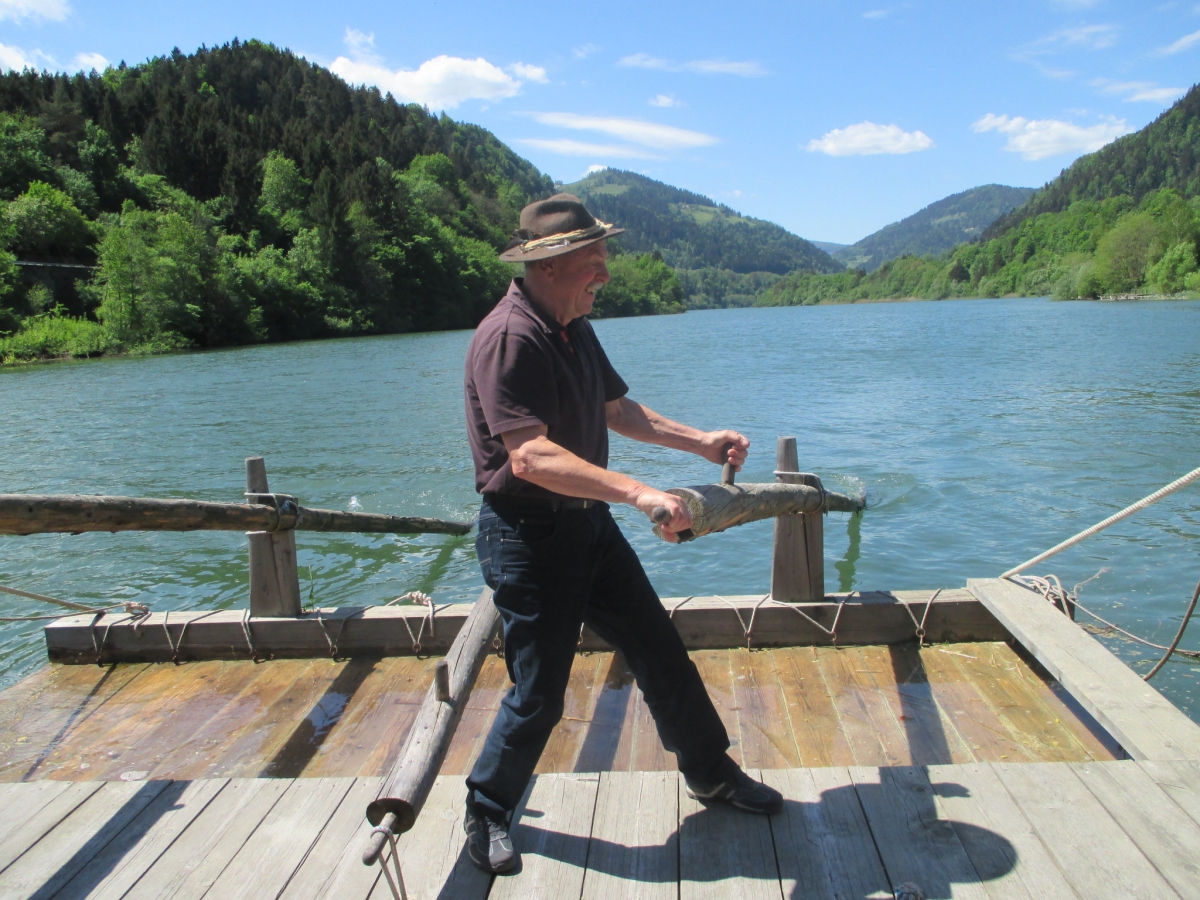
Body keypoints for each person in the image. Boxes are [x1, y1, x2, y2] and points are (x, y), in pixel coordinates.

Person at [462, 193, 783, 874]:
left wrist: (700, 441)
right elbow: (530, 457)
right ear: (549, 265)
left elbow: (616, 409)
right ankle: (486, 808)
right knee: (539, 693)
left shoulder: (572, 324)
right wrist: (641, 493)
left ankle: (711, 773)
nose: (605, 274)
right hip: (527, 536)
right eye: (594, 261)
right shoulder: (510, 336)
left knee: (659, 651)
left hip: (588, 527)